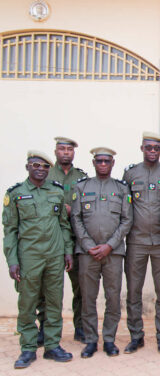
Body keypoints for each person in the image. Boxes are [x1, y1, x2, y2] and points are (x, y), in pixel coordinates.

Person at [3, 151, 74, 369]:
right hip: (29, 257)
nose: (40, 169)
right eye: (36, 165)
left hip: (54, 256)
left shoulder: (56, 191)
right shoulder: (16, 194)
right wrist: (12, 260)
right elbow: (10, 230)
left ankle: (52, 345)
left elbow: (63, 224)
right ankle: (28, 349)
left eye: (44, 167)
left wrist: (68, 251)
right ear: (27, 167)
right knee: (27, 303)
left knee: (54, 302)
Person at [71, 147, 133, 358]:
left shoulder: (121, 189)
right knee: (88, 298)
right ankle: (90, 340)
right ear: (94, 163)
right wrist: (88, 245)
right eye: (100, 161)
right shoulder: (81, 187)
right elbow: (76, 219)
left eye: (107, 161)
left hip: (113, 253)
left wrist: (109, 245)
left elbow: (127, 220)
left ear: (113, 163)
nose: (103, 164)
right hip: (87, 253)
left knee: (113, 298)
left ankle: (109, 339)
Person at [122, 132, 160, 354]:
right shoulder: (130, 174)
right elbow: (124, 206)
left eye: (156, 148)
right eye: (148, 147)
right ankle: (136, 336)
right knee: (133, 291)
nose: (152, 151)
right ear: (142, 148)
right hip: (136, 242)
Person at [43, 137, 88, 344]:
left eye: (70, 149)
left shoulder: (82, 177)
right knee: (46, 288)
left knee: (80, 287)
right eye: (62, 149)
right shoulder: (45, 174)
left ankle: (80, 327)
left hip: (76, 238)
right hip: (50, 240)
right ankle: (45, 328)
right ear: (55, 152)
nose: (66, 152)